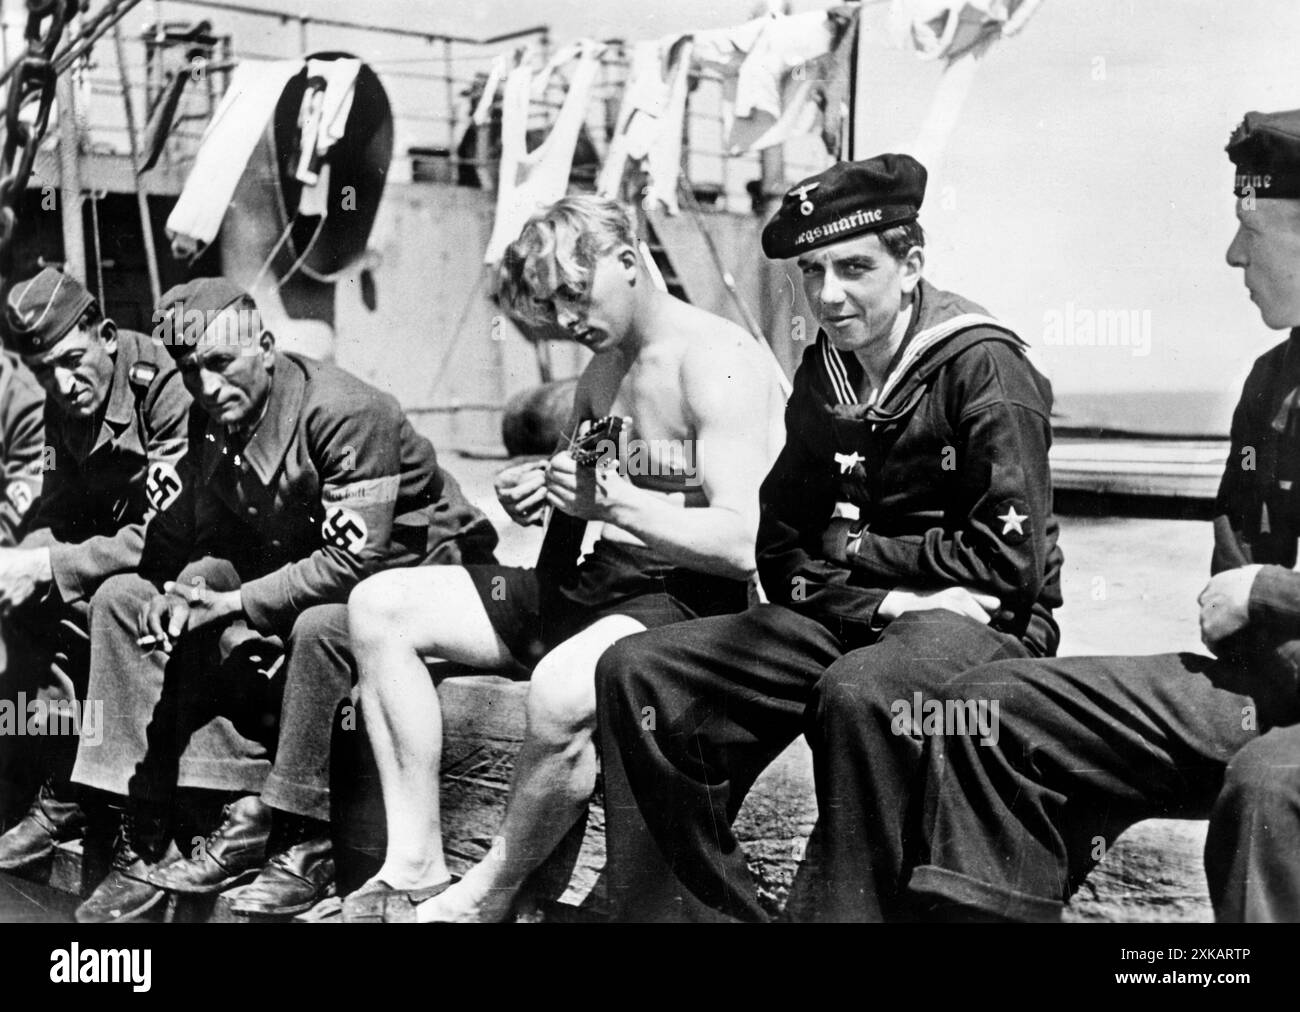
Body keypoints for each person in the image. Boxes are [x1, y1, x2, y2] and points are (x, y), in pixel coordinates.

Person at [594, 153, 1065, 922]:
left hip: (987, 625)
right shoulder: (828, 371)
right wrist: (880, 596)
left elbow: (1008, 567)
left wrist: (856, 549)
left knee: (862, 692)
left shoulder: (984, 367)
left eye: (853, 268)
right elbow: (781, 551)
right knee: (640, 671)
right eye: (812, 271)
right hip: (863, 613)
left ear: (911, 263)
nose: (828, 295)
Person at [895, 108, 1300, 923]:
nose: (1233, 253)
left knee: (1269, 791)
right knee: (991, 709)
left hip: (1281, 725)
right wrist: (1259, 600)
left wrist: (1272, 595)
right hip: (1271, 691)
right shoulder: (1272, 381)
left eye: (1250, 228)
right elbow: (1226, 595)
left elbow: (1248, 594)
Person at [342, 194, 786, 922]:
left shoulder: (720, 360)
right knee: (380, 606)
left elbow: (741, 544)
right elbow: (587, 469)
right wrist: (539, 485)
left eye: (578, 294)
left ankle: (489, 889)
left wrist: (608, 504)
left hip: (680, 600)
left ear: (628, 256)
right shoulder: (603, 368)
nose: (570, 318)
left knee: (557, 689)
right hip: (589, 583)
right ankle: (413, 859)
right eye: (555, 305)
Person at [69, 277, 497, 923]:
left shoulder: (346, 411)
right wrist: (193, 588)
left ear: (265, 346)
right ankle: (153, 819)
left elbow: (358, 558)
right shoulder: (207, 415)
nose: (208, 388)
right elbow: (216, 533)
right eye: (190, 370)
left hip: (416, 569)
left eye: (221, 364)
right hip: (297, 564)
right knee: (126, 596)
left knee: (323, 625)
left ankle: (303, 837)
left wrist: (235, 602)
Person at [0, 267, 189, 869]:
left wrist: (48, 563)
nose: (62, 381)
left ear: (106, 334)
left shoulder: (161, 384)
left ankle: (125, 805)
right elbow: (59, 508)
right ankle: (63, 786)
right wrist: (16, 561)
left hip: (186, 560)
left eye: (72, 358)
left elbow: (169, 530)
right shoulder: (66, 400)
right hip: (119, 558)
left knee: (102, 595)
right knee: (22, 593)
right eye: (44, 370)